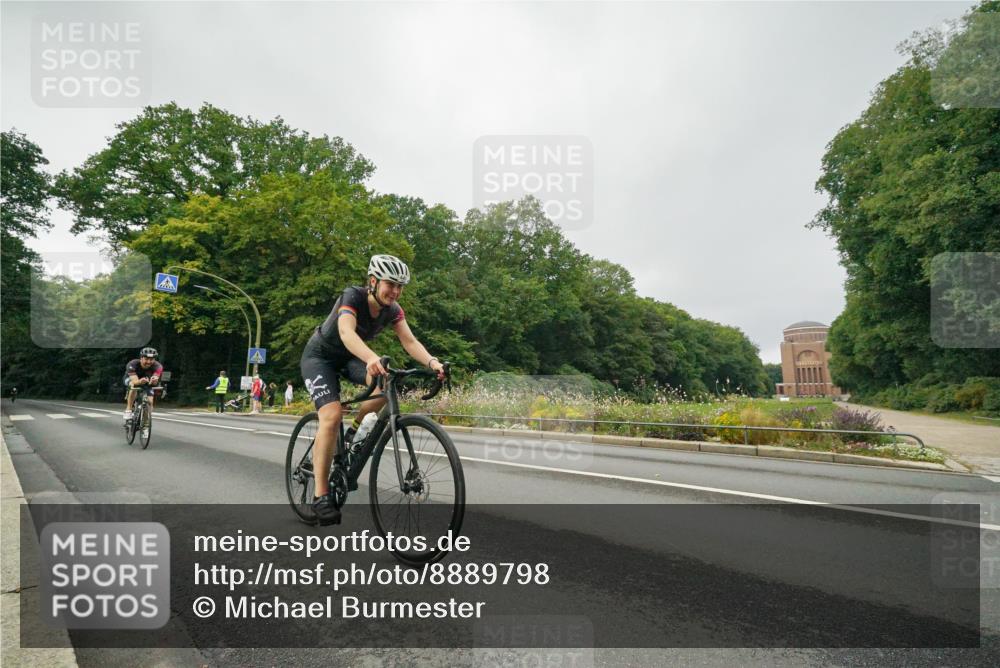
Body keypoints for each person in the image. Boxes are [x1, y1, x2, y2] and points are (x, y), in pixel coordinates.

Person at [300, 254, 445, 525]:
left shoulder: (393, 310)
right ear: (373, 281)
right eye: (391, 284)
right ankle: (321, 496)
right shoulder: (352, 297)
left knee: (385, 382)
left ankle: (355, 432)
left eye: (400, 286)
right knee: (330, 417)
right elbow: (346, 333)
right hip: (320, 358)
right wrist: (370, 358)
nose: (396, 291)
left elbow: (410, 341)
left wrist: (433, 362)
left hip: (350, 359)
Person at [123, 347, 163, 423]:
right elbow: (135, 382)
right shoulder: (132, 364)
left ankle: (145, 422)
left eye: (151, 359)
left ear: (154, 360)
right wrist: (139, 382)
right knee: (134, 386)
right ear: (141, 358)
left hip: (146, 380)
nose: (148, 362)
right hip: (131, 379)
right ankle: (128, 409)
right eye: (146, 359)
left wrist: (154, 380)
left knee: (150, 402)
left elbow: (155, 379)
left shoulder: (158, 366)